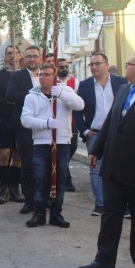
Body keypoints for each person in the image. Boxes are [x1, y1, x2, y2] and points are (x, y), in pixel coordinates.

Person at [78, 52, 135, 268]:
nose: (125, 67)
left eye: (129, 64)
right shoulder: (123, 90)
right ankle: (104, 262)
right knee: (110, 216)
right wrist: (97, 149)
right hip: (113, 167)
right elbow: (111, 121)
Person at [21, 62, 84, 228]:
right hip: (41, 143)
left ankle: (56, 213)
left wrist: (62, 93)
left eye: (47, 74)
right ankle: (39, 213)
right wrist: (46, 123)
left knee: (60, 179)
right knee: (40, 178)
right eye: (41, 74)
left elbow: (80, 105)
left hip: (62, 142)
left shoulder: (66, 91)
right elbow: (25, 120)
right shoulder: (31, 96)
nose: (43, 77)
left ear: (54, 76)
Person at [73, 52, 127, 216]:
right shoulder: (85, 85)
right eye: (92, 64)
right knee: (96, 168)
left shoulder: (121, 83)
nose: (94, 67)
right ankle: (101, 204)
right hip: (95, 134)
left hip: (117, 133)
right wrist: (84, 130)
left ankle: (123, 205)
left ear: (107, 64)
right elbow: (77, 111)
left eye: (98, 63)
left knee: (121, 167)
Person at [6, 45, 42, 214]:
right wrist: (33, 93)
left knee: (44, 165)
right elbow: (11, 95)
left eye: (35, 56)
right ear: (24, 59)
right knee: (27, 164)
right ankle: (29, 200)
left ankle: (43, 198)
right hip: (24, 127)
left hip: (44, 127)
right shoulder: (17, 76)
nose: (32, 59)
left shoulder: (47, 74)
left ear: (40, 58)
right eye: (29, 56)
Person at [0, 45, 24, 204]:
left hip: (21, 121)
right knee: (4, 155)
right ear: (5, 57)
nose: (12, 56)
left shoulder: (23, 76)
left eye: (15, 53)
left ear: (19, 56)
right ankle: (4, 188)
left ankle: (14, 187)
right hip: (3, 121)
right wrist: (7, 100)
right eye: (9, 53)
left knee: (18, 155)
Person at [56, 58, 79, 191]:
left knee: (72, 148)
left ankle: (64, 174)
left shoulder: (74, 82)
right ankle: (66, 179)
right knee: (63, 151)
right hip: (59, 122)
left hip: (72, 122)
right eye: (61, 67)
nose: (64, 69)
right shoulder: (53, 81)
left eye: (66, 66)